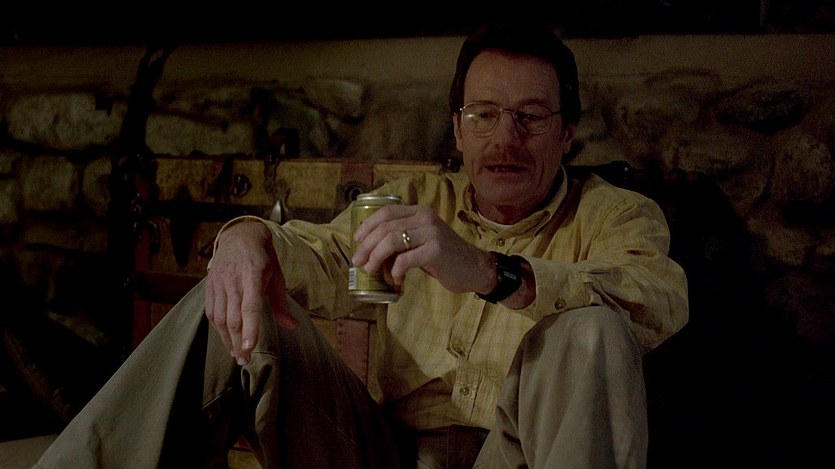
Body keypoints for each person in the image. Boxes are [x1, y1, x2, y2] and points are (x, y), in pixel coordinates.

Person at [10, 17, 688, 468]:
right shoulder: (414, 201)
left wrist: (491, 272)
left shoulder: (616, 216)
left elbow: (654, 301)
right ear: (457, 130)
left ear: (566, 133)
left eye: (530, 117)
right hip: (379, 455)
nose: (504, 138)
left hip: (519, 455)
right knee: (235, 296)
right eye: (483, 115)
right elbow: (326, 257)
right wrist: (247, 238)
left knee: (592, 329)